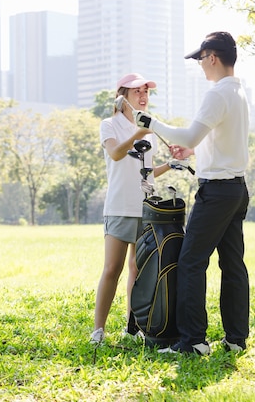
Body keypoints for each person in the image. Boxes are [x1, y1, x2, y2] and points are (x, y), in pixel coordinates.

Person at [133, 31, 250, 355]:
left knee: (190, 262)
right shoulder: (238, 94)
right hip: (237, 188)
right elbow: (218, 142)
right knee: (233, 264)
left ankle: (193, 341)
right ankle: (236, 339)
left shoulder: (217, 94)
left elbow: (188, 133)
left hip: (216, 192)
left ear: (212, 56)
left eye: (200, 59)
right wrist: (192, 152)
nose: (200, 66)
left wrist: (151, 122)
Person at [90, 73, 173, 344]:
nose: (143, 96)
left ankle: (133, 326)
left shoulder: (151, 130)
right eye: (137, 91)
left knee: (137, 269)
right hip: (118, 207)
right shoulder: (109, 125)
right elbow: (115, 154)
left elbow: (146, 173)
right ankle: (98, 330)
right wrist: (139, 133)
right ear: (123, 96)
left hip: (146, 208)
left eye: (146, 92)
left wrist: (171, 165)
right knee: (112, 268)